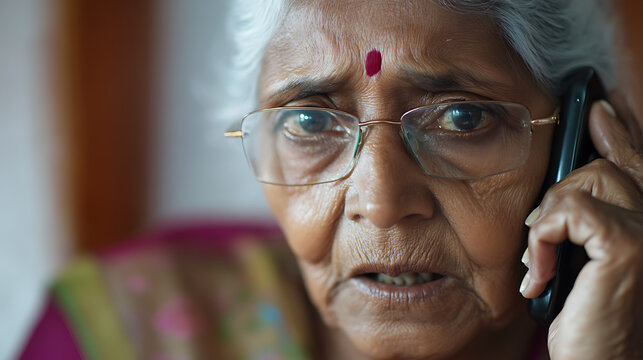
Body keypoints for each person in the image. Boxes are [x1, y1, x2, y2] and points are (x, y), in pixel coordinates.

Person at [20, 0, 642, 359]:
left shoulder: (624, 323)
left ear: (578, 140)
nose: (379, 201)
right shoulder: (121, 332)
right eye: (311, 121)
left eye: (462, 118)